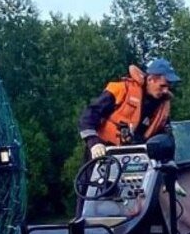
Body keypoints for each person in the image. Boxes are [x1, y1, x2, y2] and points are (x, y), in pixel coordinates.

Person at [74, 58, 180, 216]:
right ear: (150, 79)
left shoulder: (162, 107)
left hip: (135, 160)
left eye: (168, 87)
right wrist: (94, 143)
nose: (166, 90)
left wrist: (169, 174)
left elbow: (166, 141)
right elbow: (88, 117)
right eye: (163, 85)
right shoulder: (121, 89)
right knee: (90, 197)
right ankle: (82, 233)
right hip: (103, 154)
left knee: (135, 203)